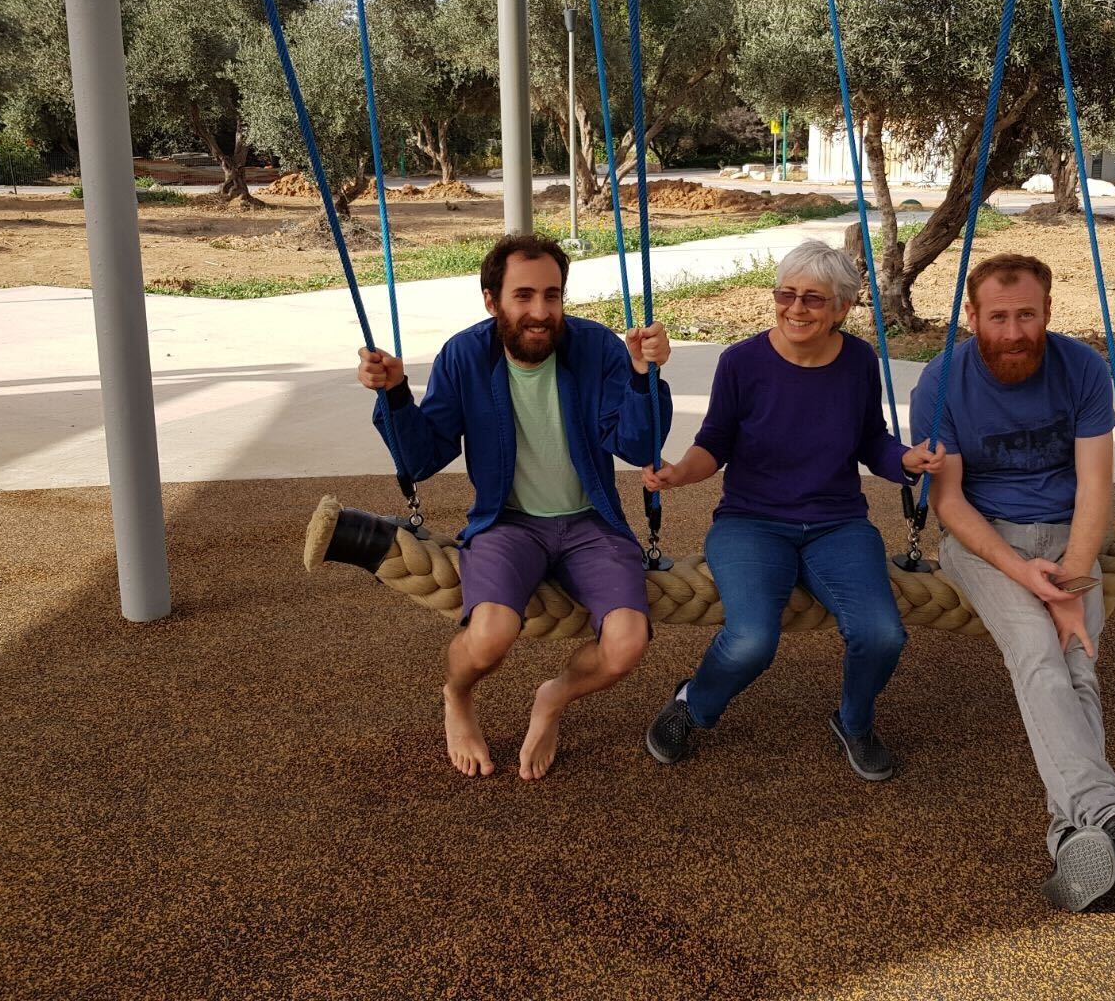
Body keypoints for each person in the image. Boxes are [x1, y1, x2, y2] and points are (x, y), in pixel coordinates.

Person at [909, 251, 1115, 911]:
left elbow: (1094, 486)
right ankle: (1114, 819)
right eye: (997, 317)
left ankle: (1074, 834)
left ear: (1048, 312)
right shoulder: (940, 384)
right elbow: (949, 505)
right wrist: (1021, 571)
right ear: (971, 318)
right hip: (984, 541)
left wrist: (1074, 581)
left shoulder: (1082, 368)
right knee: (1037, 654)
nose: (1012, 331)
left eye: (1025, 315)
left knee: (1078, 664)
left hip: (1069, 536)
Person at [357, 232, 673, 782]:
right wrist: (397, 393)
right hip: (507, 522)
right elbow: (425, 457)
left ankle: (553, 698)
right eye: (523, 296)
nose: (540, 311)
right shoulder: (465, 355)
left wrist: (646, 377)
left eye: (552, 296)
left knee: (626, 644)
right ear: (491, 300)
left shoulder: (596, 349)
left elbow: (636, 444)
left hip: (590, 522)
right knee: (491, 635)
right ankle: (457, 695)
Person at [641, 239, 941, 781]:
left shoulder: (858, 361)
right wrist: (680, 472)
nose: (796, 309)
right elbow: (716, 441)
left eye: (813, 299)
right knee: (753, 639)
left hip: (837, 524)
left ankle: (854, 721)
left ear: (842, 308)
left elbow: (871, 441)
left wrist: (907, 460)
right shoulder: (742, 362)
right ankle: (694, 703)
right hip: (751, 523)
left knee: (883, 634)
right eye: (786, 294)